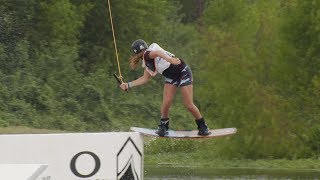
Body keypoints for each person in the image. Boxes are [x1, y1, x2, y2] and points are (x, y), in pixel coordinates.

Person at [119, 39, 210, 136]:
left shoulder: (147, 54)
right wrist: (128, 84)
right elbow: (145, 79)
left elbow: (158, 52)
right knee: (166, 102)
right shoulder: (147, 60)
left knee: (188, 104)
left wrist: (170, 59)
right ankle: (163, 126)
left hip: (183, 72)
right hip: (172, 76)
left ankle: (203, 127)